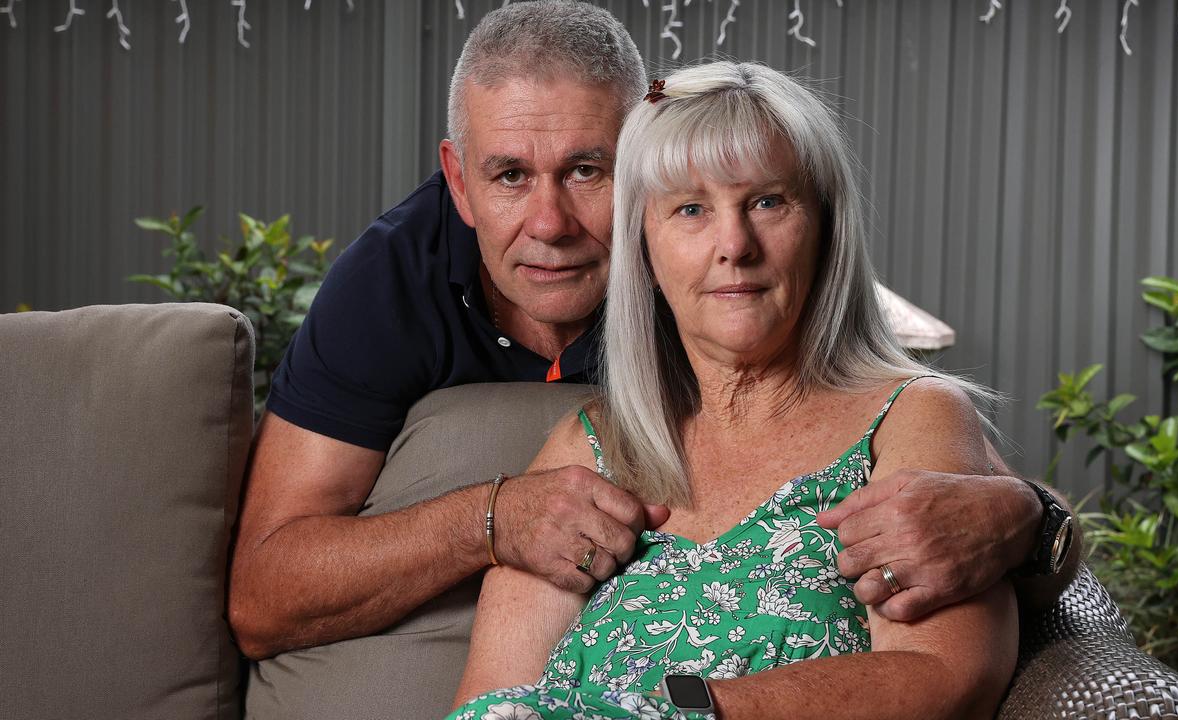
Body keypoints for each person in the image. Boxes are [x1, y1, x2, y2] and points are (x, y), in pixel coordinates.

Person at [228, 0, 1076, 664]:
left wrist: (1024, 518)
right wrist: (492, 519)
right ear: (458, 179)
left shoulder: (725, 269)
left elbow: (945, 474)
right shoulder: (388, 283)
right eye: (510, 176)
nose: (550, 222)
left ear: (652, 166)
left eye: (588, 170)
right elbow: (262, 600)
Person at [449, 60, 1018, 720]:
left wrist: (689, 710)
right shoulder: (593, 446)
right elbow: (488, 704)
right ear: (645, 249)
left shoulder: (911, 416)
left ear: (827, 231)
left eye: (767, 202)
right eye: (690, 209)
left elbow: (946, 676)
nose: (734, 244)